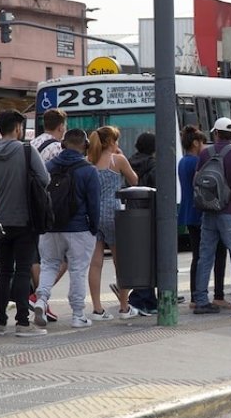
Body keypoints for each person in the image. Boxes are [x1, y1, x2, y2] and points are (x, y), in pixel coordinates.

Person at [0, 110, 50, 338]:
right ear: (18, 128)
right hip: (24, 219)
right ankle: (22, 322)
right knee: (22, 270)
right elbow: (45, 179)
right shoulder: (26, 150)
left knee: (3, 271)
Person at [32, 129, 100, 329]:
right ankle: (78, 315)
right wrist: (93, 229)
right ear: (85, 146)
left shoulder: (48, 167)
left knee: (49, 265)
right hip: (79, 228)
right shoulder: (88, 170)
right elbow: (94, 204)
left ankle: (41, 299)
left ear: (63, 145)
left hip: (50, 228)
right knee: (78, 270)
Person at [192, 117, 231, 317]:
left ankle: (201, 300)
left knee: (205, 257)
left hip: (209, 211)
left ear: (216, 133)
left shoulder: (205, 153)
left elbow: (197, 180)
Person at [86, 126, 140, 320]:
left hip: (93, 214)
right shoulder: (117, 160)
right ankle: (124, 307)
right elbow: (134, 180)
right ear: (110, 142)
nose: (118, 143)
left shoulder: (89, 161)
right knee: (121, 263)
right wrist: (121, 156)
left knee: (95, 263)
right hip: (114, 213)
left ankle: (97, 308)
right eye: (116, 140)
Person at [178, 126, 228, 308]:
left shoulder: (183, 161)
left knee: (197, 256)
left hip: (188, 212)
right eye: (202, 142)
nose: (205, 145)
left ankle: (194, 296)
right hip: (202, 212)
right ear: (195, 143)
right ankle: (218, 295)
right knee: (218, 253)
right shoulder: (198, 161)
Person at [29, 109, 68, 323]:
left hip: (30, 205)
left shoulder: (33, 144)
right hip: (48, 206)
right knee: (61, 257)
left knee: (37, 254)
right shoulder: (56, 148)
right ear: (61, 126)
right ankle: (39, 296)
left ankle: (39, 298)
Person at [124, 131, 158, 315]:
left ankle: (144, 297)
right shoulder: (153, 165)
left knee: (139, 257)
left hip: (131, 213)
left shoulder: (130, 162)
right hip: (150, 213)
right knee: (151, 257)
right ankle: (143, 298)